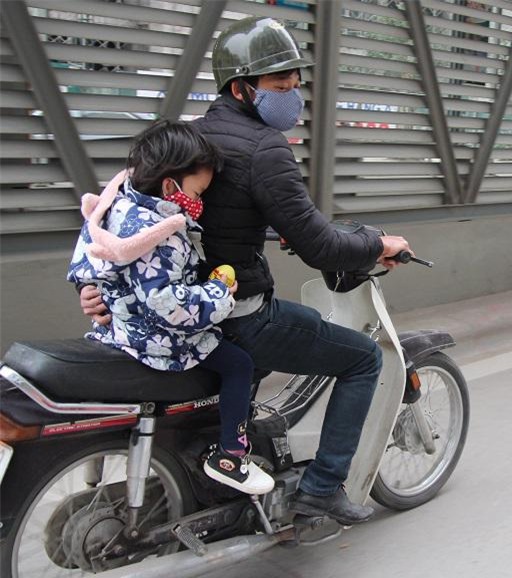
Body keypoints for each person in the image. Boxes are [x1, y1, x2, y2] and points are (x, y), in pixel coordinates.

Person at [80, 17, 412, 525]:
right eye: (280, 86)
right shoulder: (265, 147)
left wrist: (94, 284)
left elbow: (118, 215)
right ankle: (321, 490)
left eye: (296, 84)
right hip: (237, 313)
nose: (292, 97)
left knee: (265, 361)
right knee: (363, 358)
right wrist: (377, 243)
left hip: (177, 315)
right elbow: (320, 245)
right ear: (241, 88)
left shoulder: (187, 138)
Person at [68, 120, 274, 495]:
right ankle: (230, 456)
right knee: (239, 364)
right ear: (169, 186)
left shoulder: (117, 203)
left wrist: (87, 286)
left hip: (116, 330)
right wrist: (219, 293)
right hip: (156, 339)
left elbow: (88, 253)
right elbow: (170, 308)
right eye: (198, 192)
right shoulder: (159, 234)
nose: (200, 203)